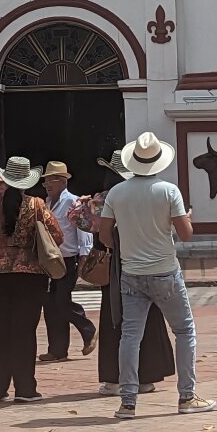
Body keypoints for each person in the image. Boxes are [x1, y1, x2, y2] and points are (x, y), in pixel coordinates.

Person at [98, 131, 215, 420]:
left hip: (131, 273)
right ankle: (187, 396)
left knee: (130, 336)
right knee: (184, 331)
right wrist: (186, 217)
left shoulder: (117, 193)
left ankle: (128, 402)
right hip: (164, 271)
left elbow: (105, 237)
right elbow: (185, 235)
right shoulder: (168, 190)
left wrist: (129, 242)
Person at [0, 157, 63, 404]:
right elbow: (57, 235)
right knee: (24, 331)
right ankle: (25, 388)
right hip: (29, 273)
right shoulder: (36, 205)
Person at [91, 152, 174, 398]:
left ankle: (117, 378)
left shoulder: (105, 199)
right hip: (153, 263)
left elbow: (91, 227)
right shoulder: (156, 193)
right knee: (148, 317)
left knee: (118, 319)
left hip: (120, 266)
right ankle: (147, 376)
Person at [39, 160, 97, 364]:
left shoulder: (73, 202)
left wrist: (83, 259)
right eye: (45, 181)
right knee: (50, 305)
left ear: (62, 181)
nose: (47, 184)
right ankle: (57, 349)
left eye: (51, 181)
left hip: (68, 259)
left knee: (61, 302)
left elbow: (83, 232)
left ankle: (88, 329)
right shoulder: (45, 203)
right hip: (50, 260)